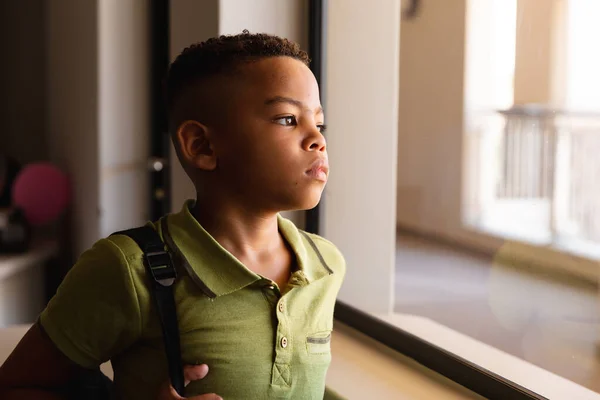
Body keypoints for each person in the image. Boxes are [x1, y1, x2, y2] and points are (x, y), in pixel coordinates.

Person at [0, 31, 345, 400]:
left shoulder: (326, 264)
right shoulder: (128, 268)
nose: (317, 140)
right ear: (201, 146)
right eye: (287, 119)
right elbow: (14, 386)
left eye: (319, 124)